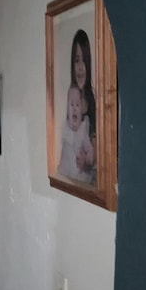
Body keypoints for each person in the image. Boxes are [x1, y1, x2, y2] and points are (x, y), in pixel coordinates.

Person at [70, 29, 97, 176]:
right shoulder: (69, 101)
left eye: (84, 61)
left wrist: (89, 158)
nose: (80, 67)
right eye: (76, 60)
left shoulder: (93, 101)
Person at [58, 85, 94, 183]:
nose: (74, 108)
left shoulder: (82, 130)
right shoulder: (64, 127)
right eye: (71, 105)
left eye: (77, 105)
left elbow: (88, 146)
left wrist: (90, 154)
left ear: (82, 110)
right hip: (65, 171)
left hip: (78, 174)